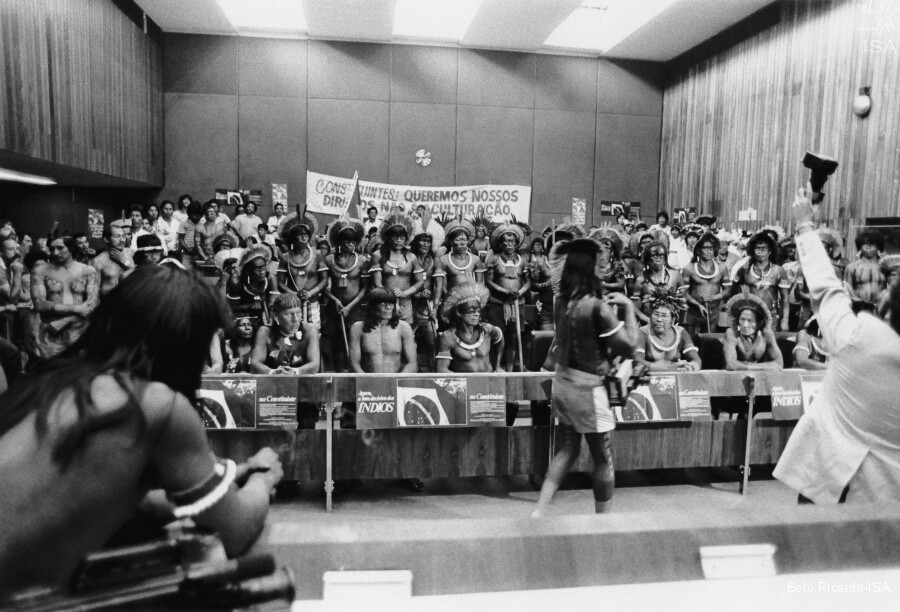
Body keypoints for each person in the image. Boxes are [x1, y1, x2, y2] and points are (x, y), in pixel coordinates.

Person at [0, 265, 283, 595]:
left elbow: (137, 503)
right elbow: (236, 531)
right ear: (187, 347)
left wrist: (237, 471)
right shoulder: (158, 405)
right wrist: (264, 477)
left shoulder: (51, 380)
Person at [774, 184, 900, 504]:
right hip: (885, 498)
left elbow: (824, 286)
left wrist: (805, 223)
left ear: (888, 306)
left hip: (823, 475)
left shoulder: (856, 336)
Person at [532, 239, 638, 517]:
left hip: (562, 384)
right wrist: (628, 308)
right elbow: (629, 346)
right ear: (591, 269)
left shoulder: (561, 301)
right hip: (589, 390)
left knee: (567, 449)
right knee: (602, 456)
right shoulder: (596, 306)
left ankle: (539, 511)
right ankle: (603, 520)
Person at [250, 293, 319, 428]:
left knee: (307, 424)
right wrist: (273, 372)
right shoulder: (265, 331)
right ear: (276, 316)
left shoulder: (310, 330)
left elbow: (315, 364)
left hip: (303, 390)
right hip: (273, 392)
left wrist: (295, 372)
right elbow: (255, 364)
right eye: (289, 314)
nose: (295, 319)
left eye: (298, 313)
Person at [31, 233, 99, 359]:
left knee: (78, 368)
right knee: (51, 368)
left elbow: (93, 303)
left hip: (79, 332)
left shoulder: (88, 271)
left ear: (71, 248)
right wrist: (76, 309)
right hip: (51, 333)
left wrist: (65, 320)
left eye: (60, 248)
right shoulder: (40, 271)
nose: (55, 252)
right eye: (52, 249)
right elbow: (39, 304)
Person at [322, 220, 370, 373]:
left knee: (354, 343)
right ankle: (338, 375)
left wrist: (350, 306)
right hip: (334, 309)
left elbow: (365, 288)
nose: (351, 244)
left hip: (355, 309)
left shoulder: (362, 261)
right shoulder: (329, 260)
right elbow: (323, 286)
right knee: (336, 345)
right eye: (347, 240)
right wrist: (334, 300)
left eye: (353, 241)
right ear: (339, 242)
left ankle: (353, 375)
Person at [485, 223, 531, 371]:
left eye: (512, 241)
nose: (509, 244)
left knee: (514, 338)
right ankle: (497, 366)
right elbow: (488, 281)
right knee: (498, 336)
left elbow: (528, 281)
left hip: (518, 304)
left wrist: (520, 292)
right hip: (498, 304)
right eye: (506, 241)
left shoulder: (523, 260)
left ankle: (510, 368)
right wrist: (503, 291)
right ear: (500, 243)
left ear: (517, 243)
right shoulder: (494, 259)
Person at [370, 214, 424, 325]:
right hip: (385, 305)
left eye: (402, 237)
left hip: (406, 304)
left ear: (406, 238)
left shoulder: (411, 257)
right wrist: (390, 299)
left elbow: (420, 281)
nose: (399, 240)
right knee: (386, 333)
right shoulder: (378, 255)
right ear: (387, 237)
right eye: (395, 237)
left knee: (406, 332)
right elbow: (377, 283)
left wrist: (405, 293)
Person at [731, 229, 791, 331]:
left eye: (763, 248)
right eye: (757, 248)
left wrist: (785, 320)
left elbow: (785, 298)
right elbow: (733, 290)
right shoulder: (745, 269)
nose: (760, 251)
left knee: (769, 340)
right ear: (752, 250)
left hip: (771, 315)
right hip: (749, 315)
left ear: (770, 251)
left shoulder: (778, 270)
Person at [436, 284, 503, 373]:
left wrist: (498, 366)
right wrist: (461, 380)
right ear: (459, 312)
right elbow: (441, 370)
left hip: (488, 379)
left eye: (478, 311)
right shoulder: (448, 337)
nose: (476, 314)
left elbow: (500, 338)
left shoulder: (487, 330)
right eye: (472, 310)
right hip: (465, 380)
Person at [277, 212, 327, 329]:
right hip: (294, 304)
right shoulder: (285, 257)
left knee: (313, 332)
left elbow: (324, 280)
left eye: (305, 234)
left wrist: (310, 293)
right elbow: (280, 283)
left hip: (312, 302)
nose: (304, 237)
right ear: (292, 238)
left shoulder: (317, 254)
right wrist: (295, 294)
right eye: (299, 234)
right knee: (295, 333)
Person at [634, 288, 701, 372]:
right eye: (656, 314)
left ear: (673, 320)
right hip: (649, 376)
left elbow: (696, 359)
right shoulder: (642, 332)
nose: (659, 319)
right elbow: (637, 362)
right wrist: (667, 368)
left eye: (664, 316)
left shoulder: (681, 332)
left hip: (675, 374)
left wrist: (691, 367)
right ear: (650, 317)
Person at [682, 232, 730, 336]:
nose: (709, 251)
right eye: (706, 248)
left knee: (709, 341)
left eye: (711, 248)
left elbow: (728, 291)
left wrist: (713, 297)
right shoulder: (689, 268)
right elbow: (683, 293)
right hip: (693, 313)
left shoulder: (722, 268)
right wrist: (698, 304)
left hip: (713, 313)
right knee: (691, 342)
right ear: (698, 250)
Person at [722, 291, 783, 370]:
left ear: (759, 323)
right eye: (742, 319)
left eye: (750, 321)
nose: (745, 325)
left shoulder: (766, 333)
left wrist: (747, 366)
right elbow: (731, 364)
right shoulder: (732, 333)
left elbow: (779, 363)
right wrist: (762, 367)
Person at [409, 229, 444, 370]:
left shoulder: (435, 261)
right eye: (422, 241)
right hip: (409, 305)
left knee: (432, 343)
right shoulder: (409, 258)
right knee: (409, 342)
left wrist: (435, 308)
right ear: (416, 242)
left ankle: (433, 370)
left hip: (427, 308)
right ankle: (412, 370)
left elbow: (439, 286)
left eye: (428, 241)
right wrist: (417, 294)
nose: (425, 244)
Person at [225, 247, 279, 329]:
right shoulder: (236, 282)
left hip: (263, 316)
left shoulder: (270, 278)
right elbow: (230, 308)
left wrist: (268, 309)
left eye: (264, 267)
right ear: (247, 270)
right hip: (241, 319)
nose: (262, 271)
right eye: (258, 268)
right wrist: (250, 306)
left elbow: (272, 303)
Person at [632, 241, 684, 324]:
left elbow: (683, 301)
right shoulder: (641, 280)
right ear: (648, 259)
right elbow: (635, 308)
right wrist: (647, 319)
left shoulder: (675, 275)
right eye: (654, 255)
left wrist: (674, 319)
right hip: (648, 322)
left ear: (665, 258)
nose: (658, 259)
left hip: (670, 323)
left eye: (661, 255)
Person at [440, 219, 485, 294]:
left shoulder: (476, 259)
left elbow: (479, 285)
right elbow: (443, 287)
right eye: (458, 240)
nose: (462, 243)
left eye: (464, 240)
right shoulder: (444, 260)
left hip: (472, 297)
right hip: (451, 298)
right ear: (451, 242)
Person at [844, 230, 885, 306]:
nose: (868, 247)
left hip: (880, 307)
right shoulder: (852, 267)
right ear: (860, 246)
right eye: (864, 244)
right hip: (858, 307)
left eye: (872, 244)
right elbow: (847, 290)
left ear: (878, 246)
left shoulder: (885, 267)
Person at [529, 238, 554, 330]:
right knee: (547, 336)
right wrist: (546, 284)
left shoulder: (569, 263)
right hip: (546, 308)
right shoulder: (539, 263)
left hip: (564, 307)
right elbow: (532, 285)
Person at [177, 200, 205, 267]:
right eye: (193, 215)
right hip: (187, 253)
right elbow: (181, 238)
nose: (195, 217)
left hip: (200, 254)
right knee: (186, 271)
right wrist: (187, 248)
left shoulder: (202, 223)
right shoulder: (184, 222)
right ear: (189, 214)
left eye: (198, 215)